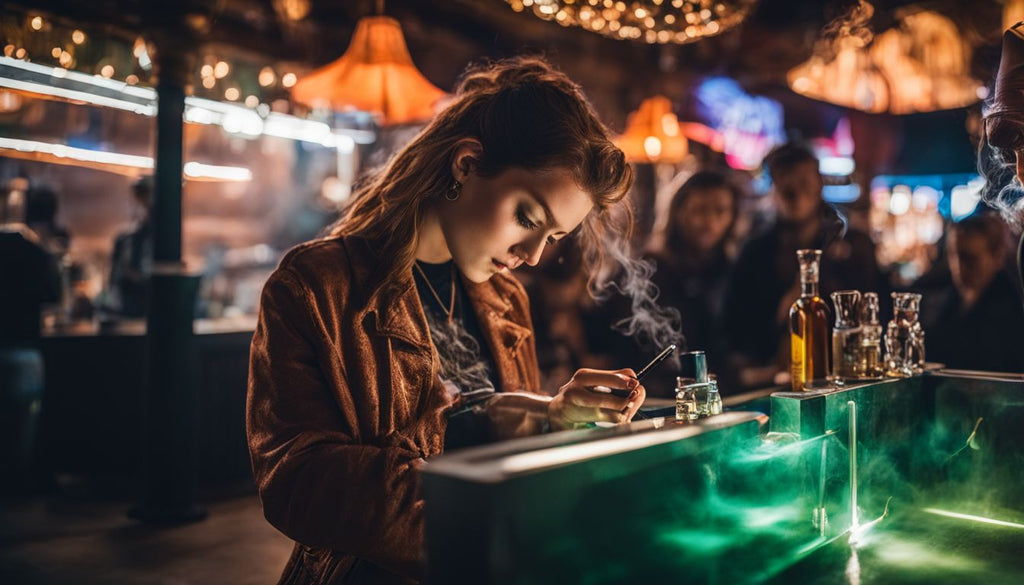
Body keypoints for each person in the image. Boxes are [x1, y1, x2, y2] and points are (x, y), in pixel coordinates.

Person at [247, 57, 646, 584]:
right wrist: (485, 512)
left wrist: (551, 415)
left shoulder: (505, 298)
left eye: (552, 237)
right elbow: (298, 481)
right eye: (527, 217)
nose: (531, 255)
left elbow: (482, 435)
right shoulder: (319, 286)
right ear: (465, 165)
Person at [722, 142, 884, 389]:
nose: (795, 194)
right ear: (774, 188)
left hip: (844, 381)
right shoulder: (755, 251)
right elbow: (735, 327)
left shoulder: (852, 245)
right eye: (785, 184)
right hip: (771, 384)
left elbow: (875, 310)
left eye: (803, 182)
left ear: (819, 184)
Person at [642, 170, 739, 395]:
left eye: (720, 211)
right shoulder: (655, 267)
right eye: (699, 210)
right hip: (665, 395)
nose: (710, 222)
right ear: (679, 212)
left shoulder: (727, 266)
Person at [0, 185, 62, 493]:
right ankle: (20, 478)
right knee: (24, 418)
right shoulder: (37, 252)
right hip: (26, 348)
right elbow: (53, 297)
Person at [922, 213, 1024, 372]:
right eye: (954, 255)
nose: (959, 267)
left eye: (970, 259)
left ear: (997, 257)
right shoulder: (946, 302)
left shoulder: (1011, 311)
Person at [109, 177, 153, 317]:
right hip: (128, 311)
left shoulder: (158, 236)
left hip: (148, 311)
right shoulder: (125, 240)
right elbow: (115, 281)